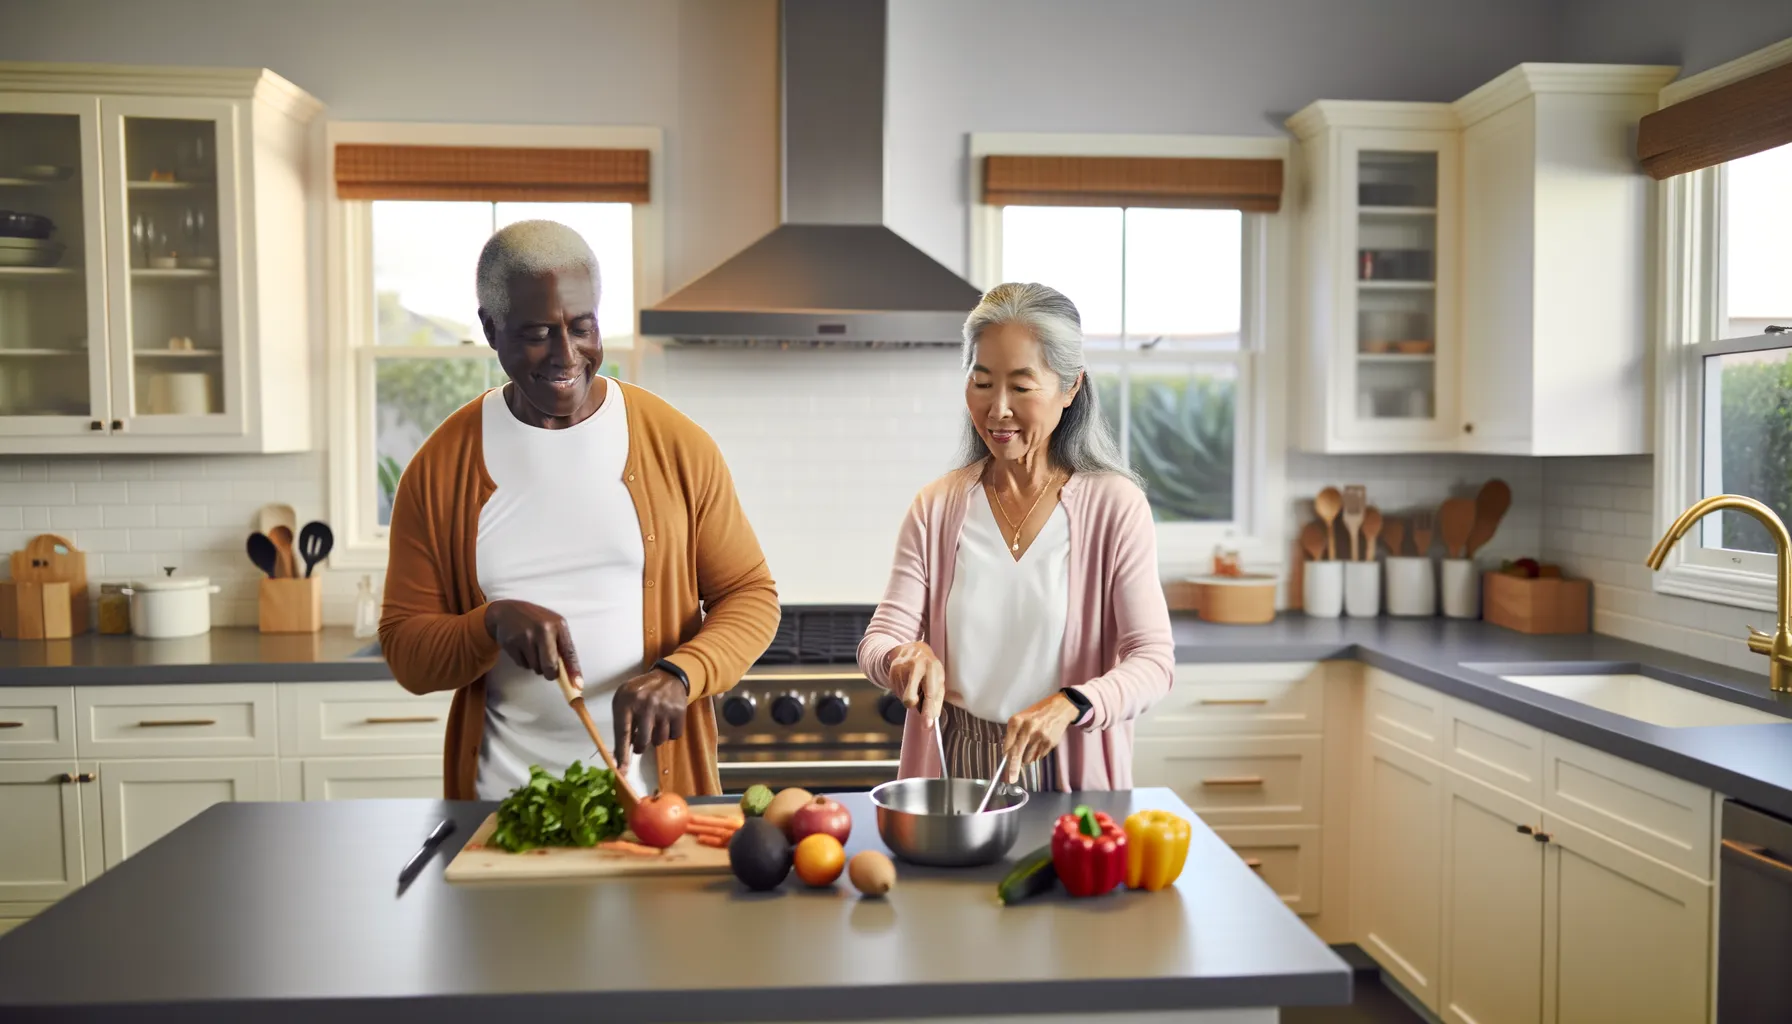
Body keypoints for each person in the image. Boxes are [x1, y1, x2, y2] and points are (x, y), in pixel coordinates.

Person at [380, 220, 779, 800]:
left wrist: (681, 673)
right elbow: (408, 652)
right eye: (538, 333)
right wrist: (490, 622)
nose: (566, 356)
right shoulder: (442, 468)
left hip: (654, 805)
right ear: (492, 330)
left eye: (582, 327)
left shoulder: (675, 445)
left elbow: (751, 595)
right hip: (503, 807)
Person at [857, 282, 1174, 791]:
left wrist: (1073, 704)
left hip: (1066, 760)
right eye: (981, 383)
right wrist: (901, 656)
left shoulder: (1115, 507)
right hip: (954, 764)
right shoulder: (936, 507)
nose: (997, 408)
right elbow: (880, 640)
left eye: (1021, 387)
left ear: (1070, 388)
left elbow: (1153, 662)